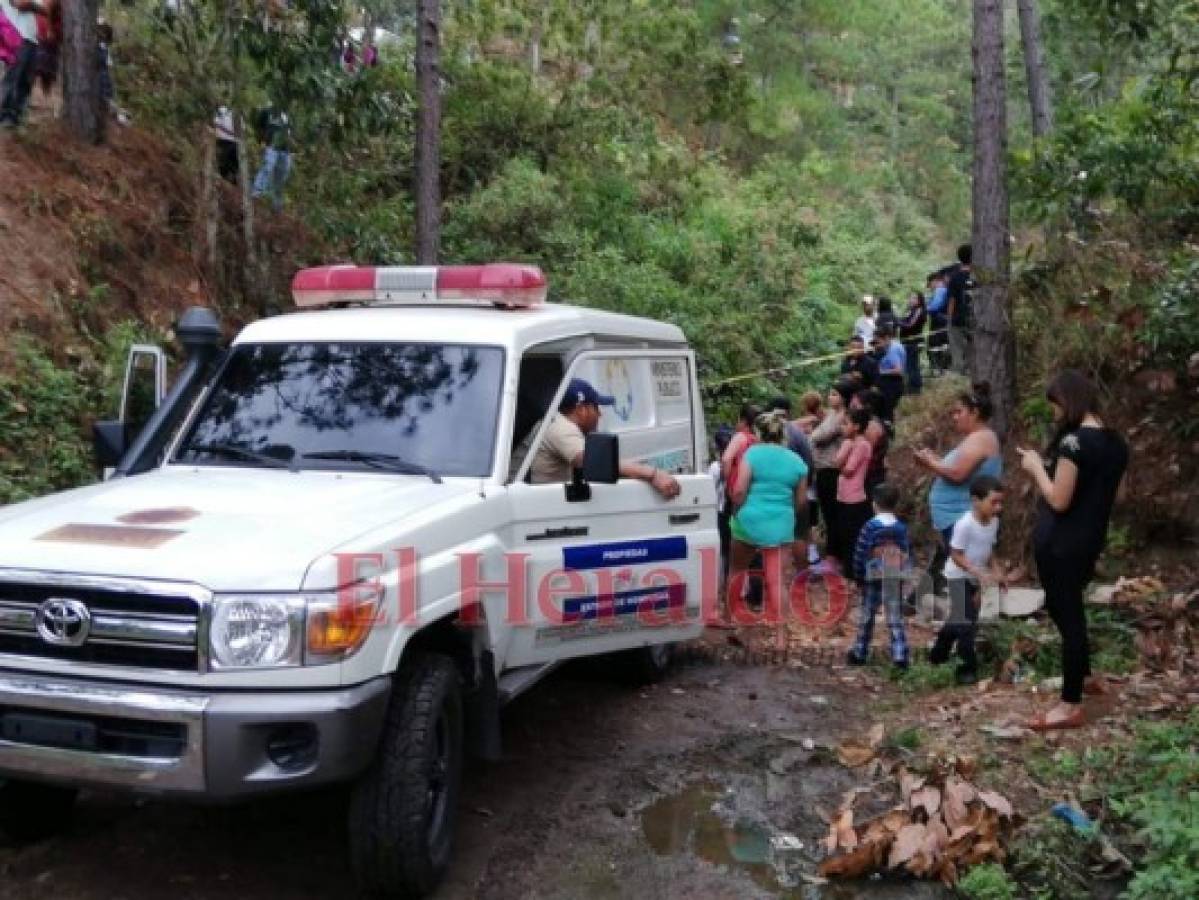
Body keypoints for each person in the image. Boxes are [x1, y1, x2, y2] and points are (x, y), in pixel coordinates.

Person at [1017, 371, 1129, 731]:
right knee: (1069, 607)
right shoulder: (1116, 443)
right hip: (1090, 539)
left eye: (1054, 407)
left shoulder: (1074, 444)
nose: (1054, 415)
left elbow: (1059, 499)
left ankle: (1069, 704)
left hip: (1061, 542)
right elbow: (1117, 495)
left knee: (1069, 617)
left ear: (1067, 402)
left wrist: (1036, 467)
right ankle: (1085, 677)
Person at [913, 383, 1002, 595]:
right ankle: (919, 600)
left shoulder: (981, 438)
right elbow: (954, 470)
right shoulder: (975, 438)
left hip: (960, 514)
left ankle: (964, 616)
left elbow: (957, 475)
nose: (954, 416)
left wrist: (930, 464)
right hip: (956, 514)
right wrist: (934, 460)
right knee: (948, 557)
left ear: (975, 413)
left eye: (959, 411)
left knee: (961, 563)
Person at [928, 476, 1018, 684]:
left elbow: (990, 551)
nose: (998, 507)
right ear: (976, 501)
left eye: (1000, 502)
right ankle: (966, 669)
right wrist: (977, 573)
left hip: (976, 578)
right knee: (967, 625)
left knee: (959, 620)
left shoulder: (994, 523)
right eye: (993, 502)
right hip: (958, 577)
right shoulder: (965, 525)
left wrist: (999, 575)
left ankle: (937, 655)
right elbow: (956, 554)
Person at [726, 410, 809, 636]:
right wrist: (784, 513)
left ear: (758, 432)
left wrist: (735, 509)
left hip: (749, 521)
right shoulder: (798, 462)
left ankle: (733, 622)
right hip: (780, 525)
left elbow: (740, 489)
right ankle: (780, 636)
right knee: (777, 580)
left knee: (737, 570)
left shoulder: (752, 454)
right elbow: (801, 501)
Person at [529, 378, 681, 499]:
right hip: (545, 506)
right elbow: (592, 461)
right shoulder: (561, 429)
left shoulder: (553, 422)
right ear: (582, 409)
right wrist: (653, 474)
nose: (600, 414)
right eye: (596, 407)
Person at [847, 482, 911, 669]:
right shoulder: (901, 527)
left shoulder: (870, 527)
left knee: (867, 615)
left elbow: (861, 552)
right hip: (894, 575)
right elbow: (906, 552)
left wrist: (858, 575)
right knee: (894, 616)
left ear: (874, 503)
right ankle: (900, 654)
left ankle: (860, 652)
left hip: (873, 576)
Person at [812, 381, 850, 560]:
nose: (830, 397)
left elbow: (819, 435)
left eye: (835, 394)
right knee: (827, 513)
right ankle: (834, 550)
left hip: (831, 469)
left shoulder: (842, 416)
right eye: (830, 393)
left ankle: (835, 553)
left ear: (844, 398)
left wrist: (812, 436)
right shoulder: (832, 414)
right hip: (823, 468)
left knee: (832, 512)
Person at [834, 408, 873, 575]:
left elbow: (848, 470)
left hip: (854, 497)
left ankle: (853, 571)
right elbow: (837, 462)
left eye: (846, 423)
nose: (842, 427)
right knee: (843, 533)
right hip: (843, 496)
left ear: (857, 426)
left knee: (852, 536)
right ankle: (847, 568)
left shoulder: (862, 444)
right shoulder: (849, 443)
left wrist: (841, 464)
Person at [0, 0, 43, 128]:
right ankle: (5, 116)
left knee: (26, 79)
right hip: (16, 35)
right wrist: (38, 7)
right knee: (13, 77)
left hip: (30, 37)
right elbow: (21, 4)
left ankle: (16, 116)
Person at [252, 103, 293, 211]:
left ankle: (277, 205)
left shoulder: (287, 115)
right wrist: (261, 142)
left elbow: (289, 132)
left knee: (282, 175)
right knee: (267, 168)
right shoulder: (267, 111)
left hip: (285, 150)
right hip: (271, 146)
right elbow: (259, 127)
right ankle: (256, 194)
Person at [709, 425, 734, 582]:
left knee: (722, 549)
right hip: (734, 510)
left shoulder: (714, 467)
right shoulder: (739, 464)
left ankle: (721, 582)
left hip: (720, 511)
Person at [946, 244, 973, 375]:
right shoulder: (979, 276)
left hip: (957, 318)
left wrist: (949, 319)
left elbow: (952, 300)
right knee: (972, 349)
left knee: (957, 349)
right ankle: (971, 372)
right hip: (976, 319)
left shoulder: (954, 277)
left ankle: (959, 374)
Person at [874, 326, 906, 422]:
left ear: (886, 338)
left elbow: (898, 370)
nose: (877, 345)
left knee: (887, 412)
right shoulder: (895, 345)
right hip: (893, 383)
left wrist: (882, 372)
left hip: (892, 384)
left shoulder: (892, 351)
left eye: (878, 342)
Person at [898, 291, 927, 394]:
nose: (911, 300)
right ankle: (913, 386)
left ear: (919, 300)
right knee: (910, 365)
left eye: (914, 298)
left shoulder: (919, 310)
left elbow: (911, 324)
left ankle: (915, 388)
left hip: (913, 341)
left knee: (912, 365)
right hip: (907, 341)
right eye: (910, 298)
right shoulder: (911, 310)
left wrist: (898, 322)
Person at [31, 0, 57, 108]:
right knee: (40, 69)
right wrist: (50, 29)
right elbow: (48, 7)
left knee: (47, 71)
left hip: (48, 36)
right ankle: (33, 97)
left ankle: (45, 98)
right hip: (45, 35)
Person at [926, 270, 951, 376]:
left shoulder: (940, 290)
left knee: (934, 347)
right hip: (944, 323)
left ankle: (938, 371)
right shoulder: (945, 290)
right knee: (942, 347)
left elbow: (935, 307)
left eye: (929, 284)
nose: (929, 287)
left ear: (935, 281)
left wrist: (925, 308)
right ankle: (943, 370)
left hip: (939, 324)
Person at [213, 106, 240, 183]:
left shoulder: (238, 115)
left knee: (233, 162)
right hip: (222, 140)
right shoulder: (222, 110)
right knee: (223, 159)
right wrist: (231, 132)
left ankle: (232, 178)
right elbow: (216, 124)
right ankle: (223, 177)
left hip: (233, 142)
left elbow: (240, 131)